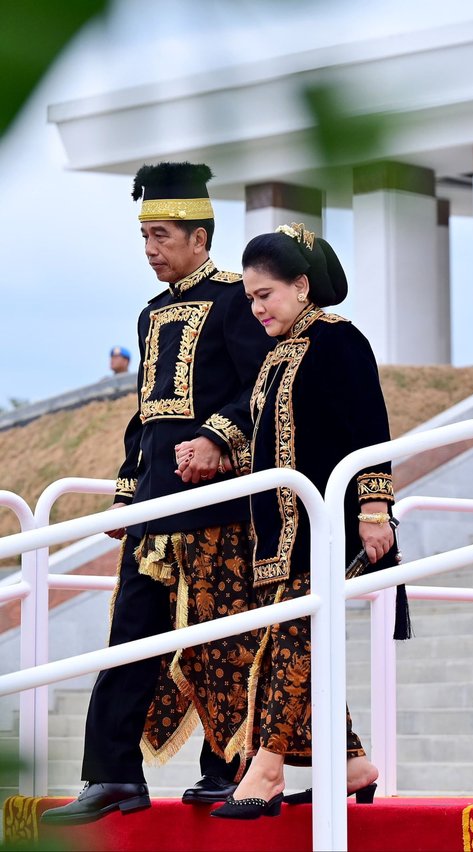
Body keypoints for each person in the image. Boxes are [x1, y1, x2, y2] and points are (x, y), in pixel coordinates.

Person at [41, 161, 274, 826]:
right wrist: (125, 492)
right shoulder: (150, 315)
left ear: (200, 238)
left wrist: (219, 439)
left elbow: (260, 388)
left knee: (220, 643)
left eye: (163, 234)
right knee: (128, 641)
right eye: (145, 236)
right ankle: (115, 778)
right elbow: (144, 415)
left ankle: (227, 772)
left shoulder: (236, 299)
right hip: (155, 507)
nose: (150, 249)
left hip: (219, 508)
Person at [209, 222, 410, 820]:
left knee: (292, 643)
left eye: (264, 295)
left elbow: (370, 427)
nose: (256, 307)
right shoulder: (276, 355)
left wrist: (375, 508)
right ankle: (351, 766)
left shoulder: (338, 340)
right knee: (294, 641)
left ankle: (266, 767)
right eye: (249, 298)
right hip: (278, 534)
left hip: (327, 530)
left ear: (301, 286)